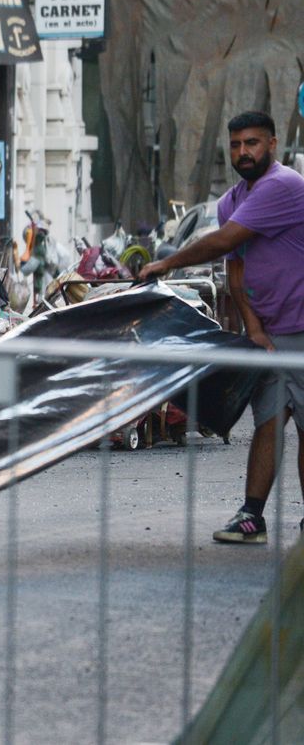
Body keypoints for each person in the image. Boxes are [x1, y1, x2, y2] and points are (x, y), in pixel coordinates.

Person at [140, 110, 304, 544]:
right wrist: (254, 329)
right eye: (235, 145)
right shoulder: (232, 199)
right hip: (271, 335)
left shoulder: (283, 186)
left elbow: (226, 241)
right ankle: (252, 517)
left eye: (252, 143)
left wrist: (168, 262)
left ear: (272, 144)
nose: (243, 152)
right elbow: (235, 273)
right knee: (268, 420)